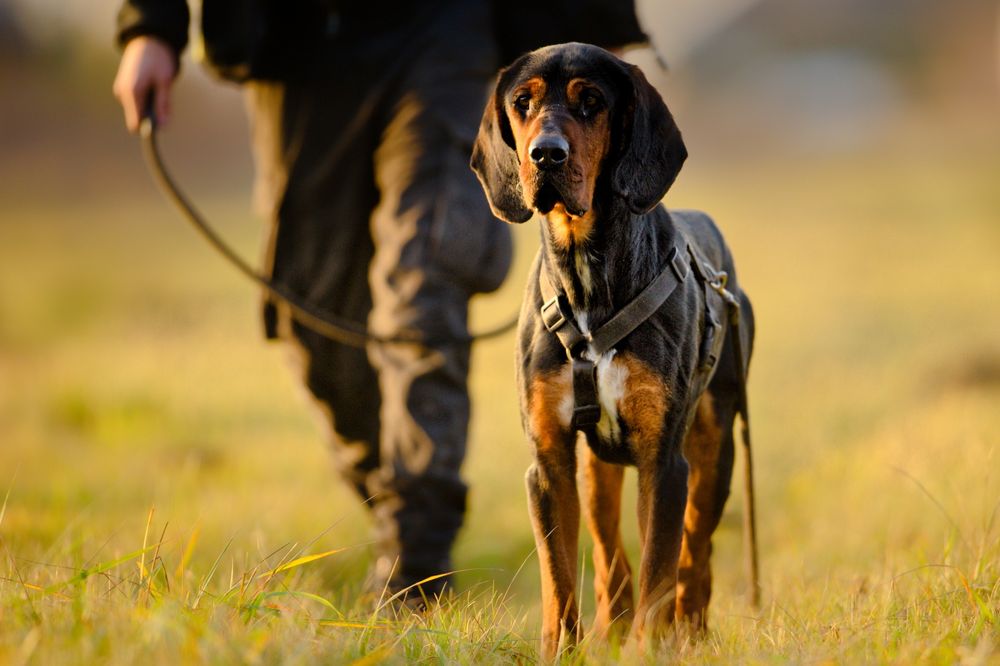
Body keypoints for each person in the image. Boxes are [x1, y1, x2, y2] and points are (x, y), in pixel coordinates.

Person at [113, 0, 648, 601]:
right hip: (297, 40)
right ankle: (393, 494)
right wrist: (150, 27)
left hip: (443, 30)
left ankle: (414, 562)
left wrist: (598, 28)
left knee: (425, 281)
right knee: (312, 314)